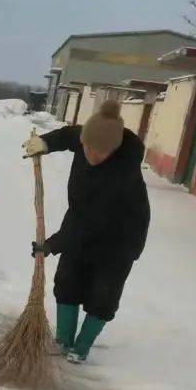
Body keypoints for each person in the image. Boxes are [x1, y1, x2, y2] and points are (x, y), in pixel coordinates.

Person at [23, 100, 150, 364]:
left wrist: (53, 244)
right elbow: (69, 135)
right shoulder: (85, 140)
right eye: (87, 147)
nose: (92, 155)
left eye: (100, 153)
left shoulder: (120, 171)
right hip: (83, 223)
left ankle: (81, 347)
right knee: (68, 278)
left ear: (113, 151)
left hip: (120, 236)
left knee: (103, 292)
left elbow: (89, 220)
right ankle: (63, 340)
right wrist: (45, 143)